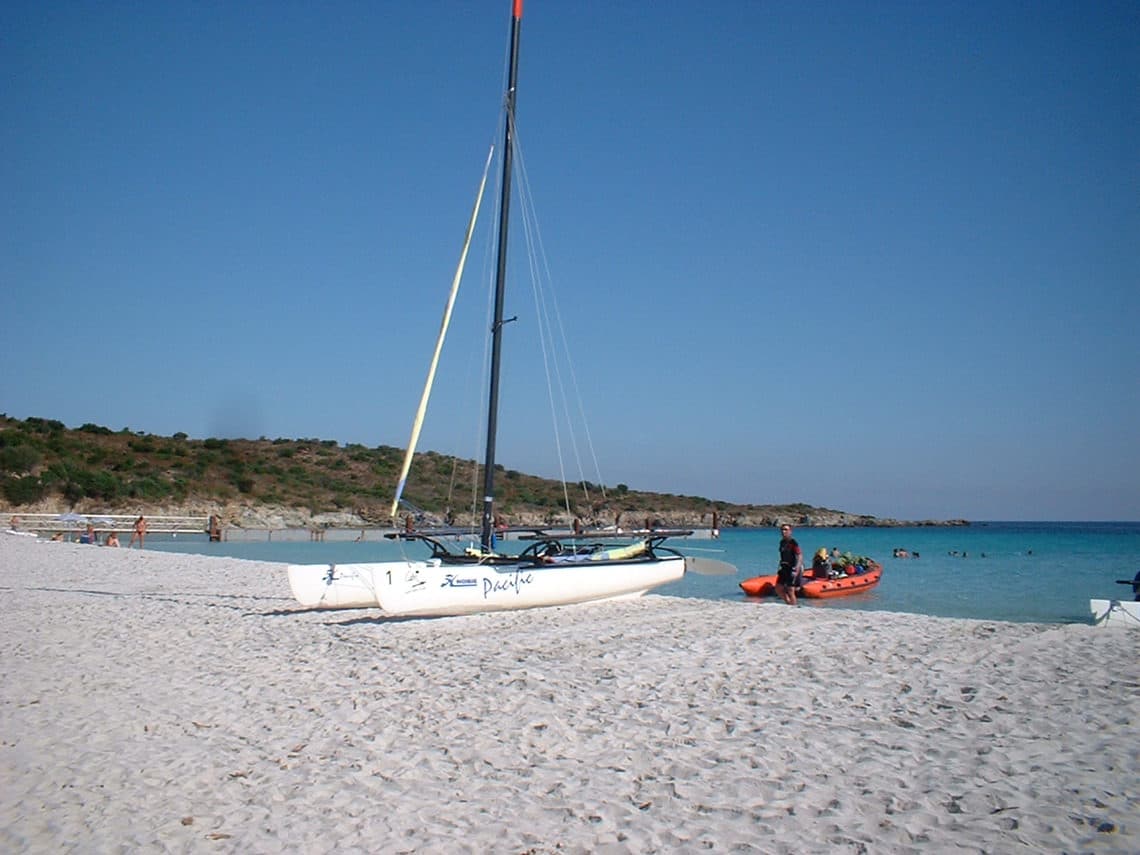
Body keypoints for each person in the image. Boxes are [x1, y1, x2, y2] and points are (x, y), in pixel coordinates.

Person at [775, 524, 803, 605]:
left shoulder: (793, 542)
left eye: (786, 530)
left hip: (792, 568)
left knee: (791, 590)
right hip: (784, 567)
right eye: (782, 530)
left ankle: (793, 606)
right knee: (778, 588)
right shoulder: (782, 542)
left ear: (790, 531)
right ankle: (788, 603)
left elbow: (800, 555)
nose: (784, 531)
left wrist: (796, 568)